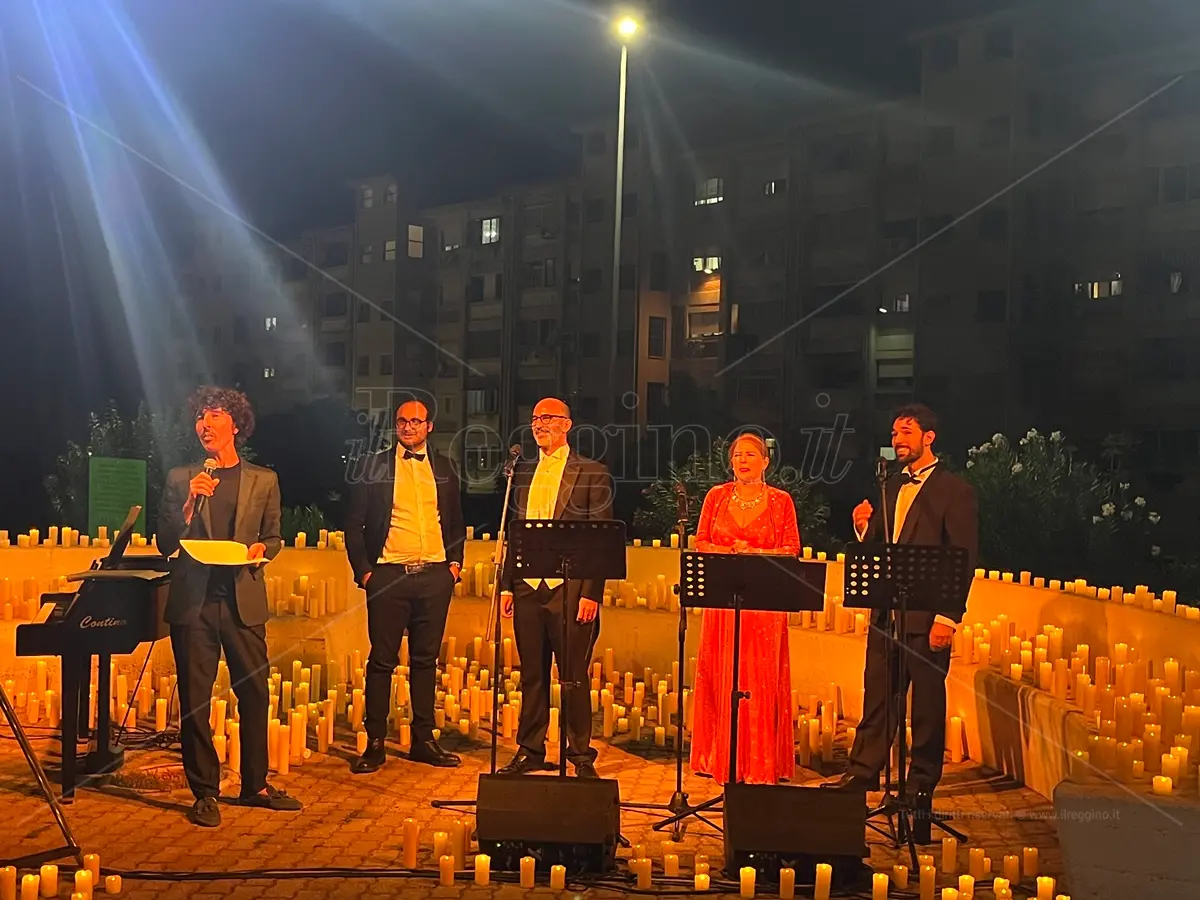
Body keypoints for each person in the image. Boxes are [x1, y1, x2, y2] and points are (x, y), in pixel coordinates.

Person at [158, 387, 301, 827]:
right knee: (196, 701)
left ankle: (255, 785)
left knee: (255, 694)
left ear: (235, 425)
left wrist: (263, 549)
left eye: (215, 415)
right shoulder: (182, 478)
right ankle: (205, 793)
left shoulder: (264, 479)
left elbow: (273, 536)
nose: (205, 424)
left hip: (242, 598)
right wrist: (187, 508)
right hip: (194, 603)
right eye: (200, 417)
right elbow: (165, 543)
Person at [824, 403, 978, 796]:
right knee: (878, 695)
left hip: (927, 615)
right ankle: (863, 771)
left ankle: (921, 783)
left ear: (929, 437)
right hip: (887, 612)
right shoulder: (890, 485)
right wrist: (863, 527)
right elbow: (879, 542)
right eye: (894, 434)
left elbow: (962, 557)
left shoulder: (954, 490)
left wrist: (948, 616)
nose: (897, 440)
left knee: (926, 703)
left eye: (906, 432)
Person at [345, 399, 465, 773]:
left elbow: (455, 520)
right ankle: (375, 742)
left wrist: (454, 566)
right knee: (382, 660)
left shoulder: (445, 467)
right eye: (402, 421)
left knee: (425, 661)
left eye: (416, 421)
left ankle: (423, 740)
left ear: (429, 426)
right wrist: (366, 573)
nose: (408, 426)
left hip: (434, 576)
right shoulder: (373, 466)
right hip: (388, 576)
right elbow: (354, 525)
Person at [497, 397, 614, 778]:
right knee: (532, 675)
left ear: (567, 425)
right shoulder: (523, 473)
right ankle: (530, 749)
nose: (539, 424)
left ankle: (580, 755)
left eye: (547, 417)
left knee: (573, 676)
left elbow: (599, 537)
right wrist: (508, 586)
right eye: (535, 418)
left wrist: (591, 593)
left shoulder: (592, 472)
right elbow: (514, 531)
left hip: (571, 590)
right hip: (529, 587)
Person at [689, 433, 801, 784]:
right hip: (723, 606)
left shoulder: (781, 501)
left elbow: (792, 549)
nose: (742, 460)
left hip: (763, 608)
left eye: (751, 454)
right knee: (722, 677)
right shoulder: (716, 496)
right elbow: (701, 541)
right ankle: (719, 757)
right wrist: (729, 552)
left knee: (758, 682)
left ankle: (759, 764)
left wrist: (754, 554)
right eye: (737, 454)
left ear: (766, 461)